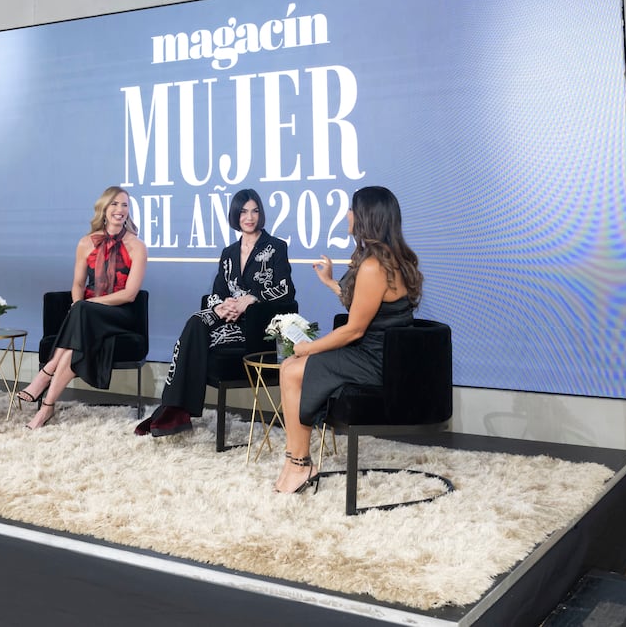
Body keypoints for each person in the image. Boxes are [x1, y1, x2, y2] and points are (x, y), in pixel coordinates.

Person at [274, 185, 422, 493]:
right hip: (379, 353)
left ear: (365, 216)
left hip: (374, 360)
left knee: (291, 368)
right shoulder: (387, 259)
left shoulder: (373, 266)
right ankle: (295, 462)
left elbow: (354, 329)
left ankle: (299, 464)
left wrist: (308, 348)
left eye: (351, 209)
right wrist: (330, 282)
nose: (347, 215)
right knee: (291, 366)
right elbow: (367, 309)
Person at [134, 188, 295, 438]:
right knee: (196, 322)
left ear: (261, 214)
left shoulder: (276, 247)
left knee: (195, 332)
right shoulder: (228, 253)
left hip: (255, 327)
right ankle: (172, 410)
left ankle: (172, 410)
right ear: (235, 215)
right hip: (228, 320)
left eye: (255, 211)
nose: (249, 217)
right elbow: (218, 291)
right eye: (243, 212)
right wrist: (221, 307)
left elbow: (286, 290)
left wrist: (250, 300)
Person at [17, 185, 147, 429]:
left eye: (125, 205)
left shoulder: (137, 246)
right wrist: (80, 303)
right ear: (104, 209)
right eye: (114, 204)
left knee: (82, 311)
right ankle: (46, 408)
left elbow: (130, 294)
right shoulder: (86, 243)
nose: (120, 210)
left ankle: (45, 374)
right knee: (75, 337)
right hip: (88, 313)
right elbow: (77, 283)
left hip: (120, 314)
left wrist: (87, 305)